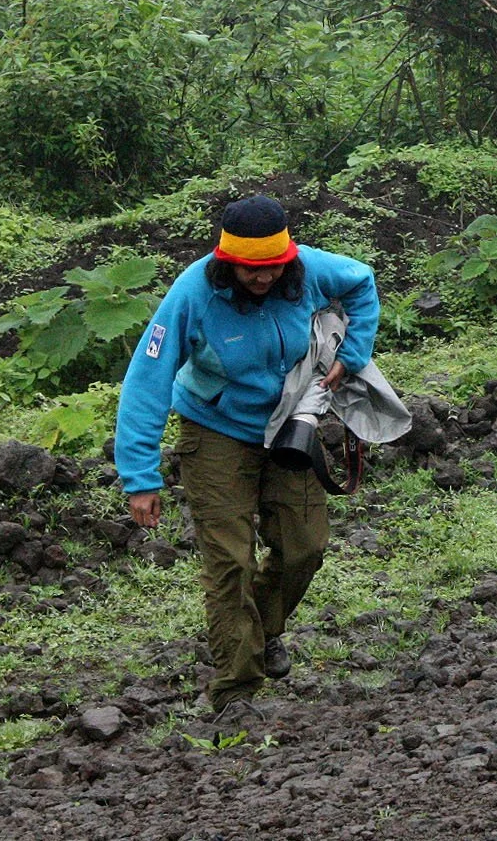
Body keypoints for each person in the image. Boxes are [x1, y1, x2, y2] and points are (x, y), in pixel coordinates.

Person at [114, 194, 380, 712]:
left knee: (305, 544)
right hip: (215, 428)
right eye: (249, 270)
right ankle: (235, 688)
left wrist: (352, 355)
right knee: (229, 560)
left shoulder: (309, 270)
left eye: (273, 270)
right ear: (225, 262)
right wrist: (140, 475)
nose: (262, 280)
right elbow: (147, 379)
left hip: (288, 422)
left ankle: (264, 629)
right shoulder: (193, 293)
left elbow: (362, 283)